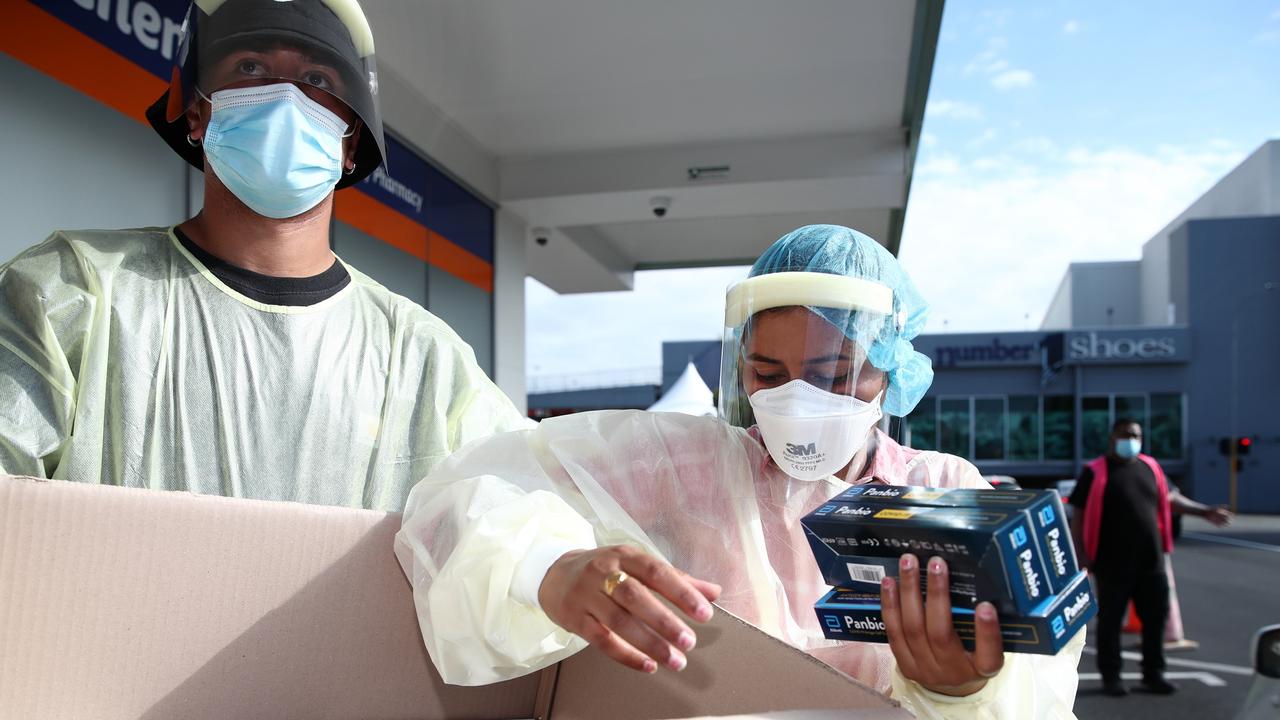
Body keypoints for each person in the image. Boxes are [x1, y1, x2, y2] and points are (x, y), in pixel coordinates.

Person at [397, 225, 1085, 718]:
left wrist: (961, 692)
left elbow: (1039, 683)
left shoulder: (944, 495)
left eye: (831, 374)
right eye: (767, 372)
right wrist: (541, 566)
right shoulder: (687, 464)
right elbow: (459, 496)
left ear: (891, 369)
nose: (795, 399)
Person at [0, 0, 525, 510]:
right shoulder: (73, 292)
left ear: (349, 143)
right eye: (251, 67)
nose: (285, 98)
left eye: (318, 81)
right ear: (198, 111)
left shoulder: (421, 356)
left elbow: (524, 512)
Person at [1068, 418, 1232, 697]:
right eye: (1126, 434)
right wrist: (1081, 553)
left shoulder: (1151, 467)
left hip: (1151, 561)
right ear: (1113, 437)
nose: (1131, 439)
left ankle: (1153, 674)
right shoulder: (1095, 471)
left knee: (1156, 618)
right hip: (1111, 562)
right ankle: (1111, 676)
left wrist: (1205, 512)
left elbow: (1171, 499)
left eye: (1136, 435)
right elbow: (1079, 513)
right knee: (1110, 621)